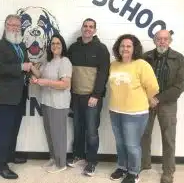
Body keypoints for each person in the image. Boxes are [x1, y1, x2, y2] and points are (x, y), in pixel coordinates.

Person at [108, 34, 159, 183]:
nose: (125, 48)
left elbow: (153, 87)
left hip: (135, 113)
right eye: (122, 46)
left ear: (134, 48)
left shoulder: (141, 64)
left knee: (132, 145)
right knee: (120, 143)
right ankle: (122, 167)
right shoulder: (114, 65)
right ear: (118, 48)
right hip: (115, 111)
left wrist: (150, 98)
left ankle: (134, 172)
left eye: (128, 46)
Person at [141, 30, 184, 183]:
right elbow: (139, 79)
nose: (162, 42)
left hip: (168, 103)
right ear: (155, 41)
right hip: (147, 102)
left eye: (165, 39)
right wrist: (149, 98)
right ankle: (144, 163)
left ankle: (168, 171)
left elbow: (179, 86)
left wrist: (158, 98)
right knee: (143, 134)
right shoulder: (145, 57)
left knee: (168, 138)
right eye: (159, 39)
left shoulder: (179, 58)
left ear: (170, 41)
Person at [67, 18, 110, 176]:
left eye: (91, 27)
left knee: (91, 130)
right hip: (76, 96)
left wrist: (96, 94)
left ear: (95, 30)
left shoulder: (101, 49)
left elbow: (103, 73)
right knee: (78, 127)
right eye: (85, 26)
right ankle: (78, 155)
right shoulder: (73, 48)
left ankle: (92, 161)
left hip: (92, 98)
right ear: (81, 28)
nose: (88, 29)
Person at [0, 14, 32, 179]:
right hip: (6, 96)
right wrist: (21, 66)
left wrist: (31, 76)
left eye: (17, 26)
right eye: (11, 25)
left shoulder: (21, 45)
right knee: (4, 131)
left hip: (20, 94)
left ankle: (9, 156)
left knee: (14, 129)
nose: (15, 28)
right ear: (5, 26)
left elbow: (26, 66)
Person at [30, 34, 72, 173]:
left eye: (58, 43)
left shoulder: (65, 62)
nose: (55, 46)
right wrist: (32, 72)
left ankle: (61, 164)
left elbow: (65, 84)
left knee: (58, 134)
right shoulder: (48, 62)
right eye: (53, 43)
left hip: (59, 104)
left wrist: (46, 82)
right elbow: (39, 75)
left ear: (62, 46)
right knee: (50, 133)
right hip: (46, 102)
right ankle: (53, 158)